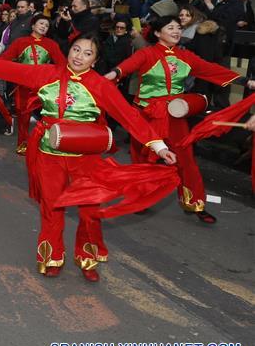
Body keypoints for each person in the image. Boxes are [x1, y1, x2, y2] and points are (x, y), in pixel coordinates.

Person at [0, 35, 179, 281]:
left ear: (95, 61)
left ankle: (87, 258)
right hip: (49, 153)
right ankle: (52, 256)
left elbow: (129, 116)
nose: (79, 56)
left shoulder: (101, 85)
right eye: (76, 49)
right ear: (68, 50)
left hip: (86, 156)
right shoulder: (47, 74)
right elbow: (10, 69)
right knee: (51, 206)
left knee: (90, 209)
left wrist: (158, 146)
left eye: (87, 53)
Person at [106, 16, 255, 223]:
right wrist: (109, 76)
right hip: (146, 116)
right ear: (158, 33)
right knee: (142, 160)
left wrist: (246, 82)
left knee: (185, 159)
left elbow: (212, 70)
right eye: (170, 27)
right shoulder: (146, 54)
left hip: (175, 115)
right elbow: (125, 68)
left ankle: (194, 202)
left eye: (178, 27)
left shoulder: (186, 56)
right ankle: (140, 199)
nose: (176, 31)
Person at [0, 14, 65, 154]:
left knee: (49, 116)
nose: (44, 27)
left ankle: (46, 144)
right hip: (24, 86)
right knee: (23, 117)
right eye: (41, 24)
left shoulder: (51, 44)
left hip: (45, 87)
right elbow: (5, 59)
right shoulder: (20, 42)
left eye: (46, 26)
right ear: (33, 26)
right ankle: (23, 144)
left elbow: (62, 64)